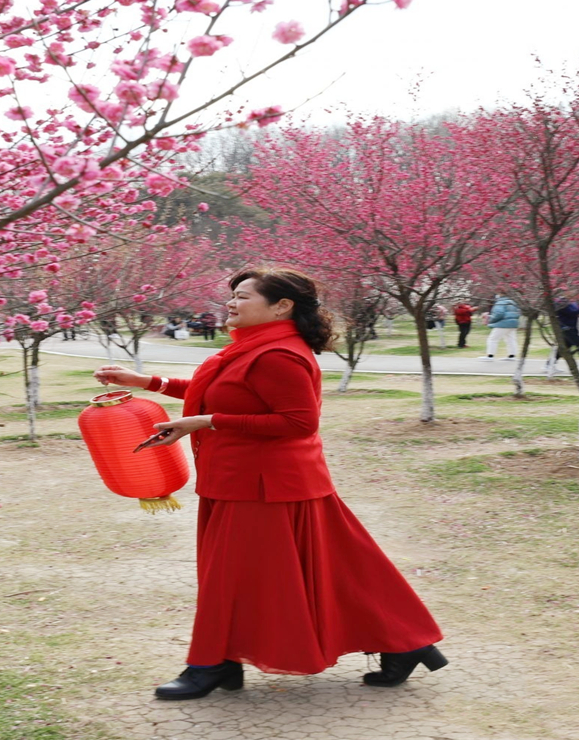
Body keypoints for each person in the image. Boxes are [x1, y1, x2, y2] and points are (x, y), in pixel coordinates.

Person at [94, 268, 445, 701]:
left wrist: (205, 423)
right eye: (232, 296)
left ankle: (213, 664)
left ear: (282, 306)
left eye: (242, 296)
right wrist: (147, 382)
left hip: (265, 486)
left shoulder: (279, 354)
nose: (231, 303)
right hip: (250, 480)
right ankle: (406, 643)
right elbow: (222, 395)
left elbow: (298, 422)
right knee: (336, 569)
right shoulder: (252, 349)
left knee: (233, 577)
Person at [482, 294, 520, 360]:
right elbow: (518, 313)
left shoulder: (500, 303)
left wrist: (490, 319)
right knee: (511, 339)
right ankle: (512, 355)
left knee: (493, 339)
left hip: (503, 324)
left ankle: (490, 356)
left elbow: (498, 314)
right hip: (513, 323)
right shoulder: (513, 302)